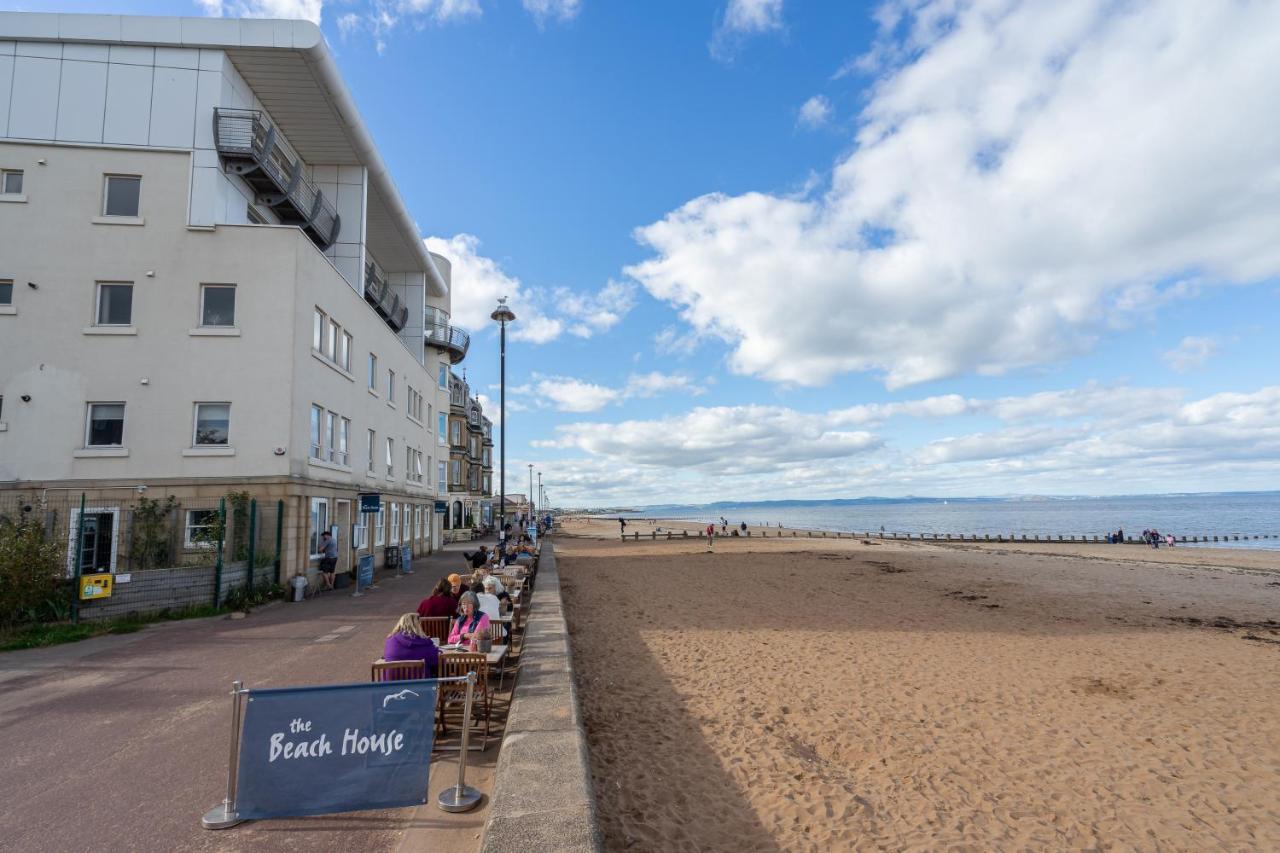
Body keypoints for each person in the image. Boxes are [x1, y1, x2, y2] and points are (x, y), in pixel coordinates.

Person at [382, 613, 439, 678]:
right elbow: (436, 660)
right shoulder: (423, 642)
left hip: (391, 684)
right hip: (419, 684)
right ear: (418, 625)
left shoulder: (390, 640)